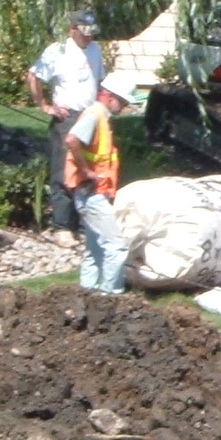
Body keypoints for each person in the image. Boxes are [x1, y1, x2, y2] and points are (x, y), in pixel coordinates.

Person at [26, 10, 104, 240]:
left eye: (91, 33)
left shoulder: (95, 50)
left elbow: (99, 81)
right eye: (84, 33)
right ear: (73, 29)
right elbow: (33, 76)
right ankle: (62, 226)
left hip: (90, 115)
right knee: (63, 170)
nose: (89, 38)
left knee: (88, 169)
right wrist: (45, 106)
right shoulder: (57, 50)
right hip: (67, 117)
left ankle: (83, 224)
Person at [63, 74, 136, 294]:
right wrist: (87, 171)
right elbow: (71, 140)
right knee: (116, 247)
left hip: (92, 193)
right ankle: (110, 295)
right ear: (109, 96)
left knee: (94, 249)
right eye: (122, 102)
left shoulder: (101, 118)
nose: (123, 107)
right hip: (91, 193)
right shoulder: (95, 115)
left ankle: (86, 293)